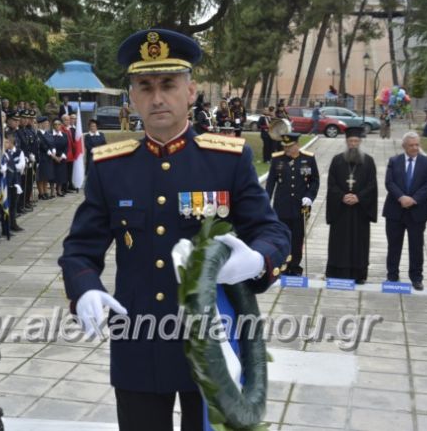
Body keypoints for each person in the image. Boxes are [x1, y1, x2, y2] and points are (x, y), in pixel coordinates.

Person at [59, 28, 290, 431]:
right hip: (138, 340)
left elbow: (273, 233)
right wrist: (85, 290)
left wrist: (255, 260)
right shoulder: (111, 167)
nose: (157, 97)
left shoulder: (228, 160)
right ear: (133, 98)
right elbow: (80, 249)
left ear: (191, 92)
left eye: (168, 84)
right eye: (145, 87)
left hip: (212, 342)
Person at [383, 132, 427, 290]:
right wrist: (401, 197)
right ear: (404, 146)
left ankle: (416, 277)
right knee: (394, 245)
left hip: (418, 211)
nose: (415, 148)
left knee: (416, 246)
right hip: (395, 210)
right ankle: (392, 275)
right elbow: (389, 182)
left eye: (417, 145)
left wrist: (413, 199)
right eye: (411, 145)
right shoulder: (394, 161)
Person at [325, 127, 378, 283]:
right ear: (346, 142)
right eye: (350, 141)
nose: (353, 144)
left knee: (359, 242)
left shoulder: (369, 161)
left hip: (360, 211)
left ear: (360, 142)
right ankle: (337, 273)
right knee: (339, 242)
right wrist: (342, 196)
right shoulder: (337, 160)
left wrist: (358, 197)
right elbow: (331, 183)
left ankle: (358, 274)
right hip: (340, 210)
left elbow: (372, 185)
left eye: (356, 141)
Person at [265, 132, 320, 276]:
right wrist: (266, 201)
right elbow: (271, 182)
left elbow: (314, 180)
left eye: (290, 147)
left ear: (297, 145)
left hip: (300, 206)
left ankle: (295, 266)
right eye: (285, 147)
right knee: (282, 236)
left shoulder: (308, 159)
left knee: (297, 237)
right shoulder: (277, 159)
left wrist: (310, 196)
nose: (287, 150)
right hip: (281, 205)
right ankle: (281, 265)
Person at [36, 117, 54, 199]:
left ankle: (46, 191)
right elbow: (42, 144)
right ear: (40, 124)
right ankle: (41, 193)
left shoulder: (48, 133)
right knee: (41, 176)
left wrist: (53, 150)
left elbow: (52, 142)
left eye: (47, 123)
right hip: (42, 156)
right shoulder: (38, 133)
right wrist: (50, 152)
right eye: (45, 123)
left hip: (48, 157)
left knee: (46, 175)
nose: (47, 125)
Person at [51, 119, 69, 197]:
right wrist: (55, 157)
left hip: (62, 157)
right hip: (53, 157)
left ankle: (59, 190)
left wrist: (62, 157)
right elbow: (50, 146)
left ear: (61, 125)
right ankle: (52, 191)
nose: (57, 126)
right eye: (55, 124)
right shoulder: (50, 134)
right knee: (52, 175)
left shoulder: (64, 135)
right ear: (53, 125)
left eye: (59, 124)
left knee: (61, 174)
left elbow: (66, 147)